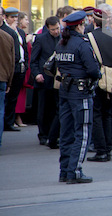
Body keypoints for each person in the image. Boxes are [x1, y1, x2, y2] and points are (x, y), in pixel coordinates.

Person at [56, 11, 101, 184]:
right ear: (80, 25)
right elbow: (93, 70)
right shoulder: (82, 44)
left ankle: (65, 170)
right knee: (82, 132)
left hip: (65, 90)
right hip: (80, 91)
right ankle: (75, 171)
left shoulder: (61, 43)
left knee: (66, 132)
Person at [87, 8, 112, 162]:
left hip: (96, 79)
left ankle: (101, 150)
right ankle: (107, 146)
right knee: (108, 114)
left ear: (93, 21)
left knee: (96, 114)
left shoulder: (89, 37)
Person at [31, 16, 61, 148]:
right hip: (43, 79)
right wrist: (37, 74)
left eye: (58, 28)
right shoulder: (41, 39)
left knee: (56, 108)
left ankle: (54, 134)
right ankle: (43, 135)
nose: (56, 31)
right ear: (48, 28)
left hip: (58, 79)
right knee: (43, 108)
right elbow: (34, 60)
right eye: (53, 29)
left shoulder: (63, 39)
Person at [2, 7, 28, 132]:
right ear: (6, 17)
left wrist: (26, 64)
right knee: (8, 96)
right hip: (12, 67)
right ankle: (7, 121)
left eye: (16, 17)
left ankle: (10, 121)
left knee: (14, 97)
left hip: (21, 66)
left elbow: (24, 51)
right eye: (12, 17)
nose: (14, 19)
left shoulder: (20, 32)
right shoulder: (6, 31)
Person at [0, 7, 15, 150]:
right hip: (3, 78)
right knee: (0, 110)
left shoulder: (9, 35)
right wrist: (9, 81)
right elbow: (12, 62)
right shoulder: (8, 36)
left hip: (3, 78)